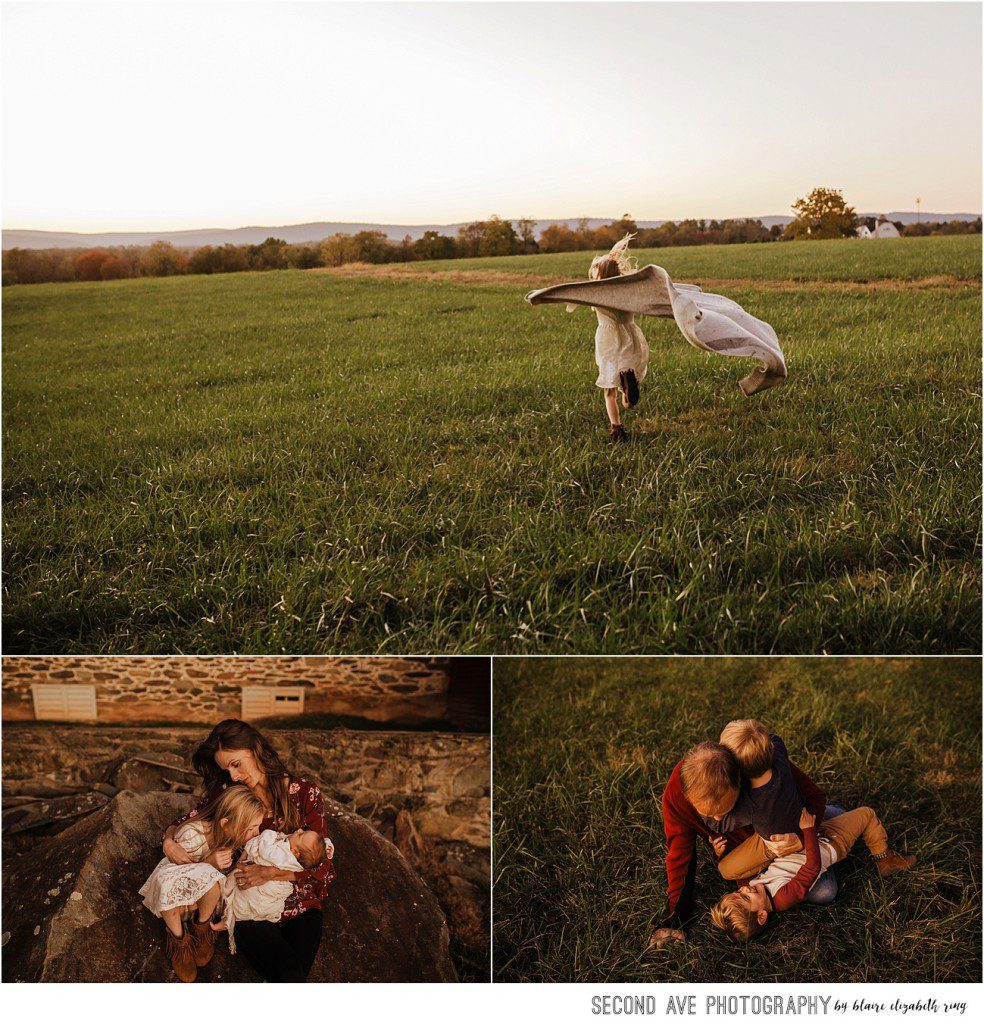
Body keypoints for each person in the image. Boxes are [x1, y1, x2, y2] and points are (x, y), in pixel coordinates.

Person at [161, 719, 334, 982]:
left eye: (236, 764)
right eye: (226, 769)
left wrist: (271, 873)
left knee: (293, 978)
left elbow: (323, 868)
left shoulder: (304, 793)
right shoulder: (231, 793)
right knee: (288, 975)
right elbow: (188, 820)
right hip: (249, 909)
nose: (233, 776)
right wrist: (168, 842)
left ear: (255, 749)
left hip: (302, 905)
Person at [649, 740, 827, 949]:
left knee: (824, 890)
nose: (717, 821)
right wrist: (676, 915)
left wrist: (801, 836)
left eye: (726, 812)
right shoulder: (675, 798)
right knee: (819, 891)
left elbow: (815, 797)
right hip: (752, 862)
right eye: (708, 816)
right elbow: (680, 855)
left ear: (739, 780)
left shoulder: (753, 762)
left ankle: (835, 821)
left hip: (793, 837)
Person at [709, 804, 916, 942]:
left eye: (738, 893)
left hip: (805, 839)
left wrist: (720, 855)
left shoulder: (755, 888)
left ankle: (829, 811)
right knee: (867, 814)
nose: (744, 888)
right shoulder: (783, 897)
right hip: (831, 841)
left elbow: (739, 874)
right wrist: (808, 830)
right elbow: (811, 868)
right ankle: (885, 860)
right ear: (761, 915)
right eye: (745, 897)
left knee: (823, 814)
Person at [140, 785, 265, 982]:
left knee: (215, 883)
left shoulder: (236, 842)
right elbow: (176, 877)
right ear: (226, 823)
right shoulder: (192, 834)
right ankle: (179, 941)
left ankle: (201, 927)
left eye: (257, 827)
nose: (257, 833)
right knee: (183, 883)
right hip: (177, 901)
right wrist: (209, 863)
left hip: (204, 903)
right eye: (251, 828)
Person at [576, 234, 649, 441]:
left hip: (608, 340)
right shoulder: (628, 291)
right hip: (629, 336)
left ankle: (616, 428)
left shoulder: (596, 294)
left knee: (609, 390)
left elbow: (571, 299)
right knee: (628, 394)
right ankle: (628, 389)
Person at [215, 827, 330, 954]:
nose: (298, 830)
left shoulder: (283, 854)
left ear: (295, 852)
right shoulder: (299, 862)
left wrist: (269, 834)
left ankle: (229, 917)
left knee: (234, 886)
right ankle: (231, 919)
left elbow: (265, 850)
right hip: (271, 903)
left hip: (264, 891)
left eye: (300, 835)